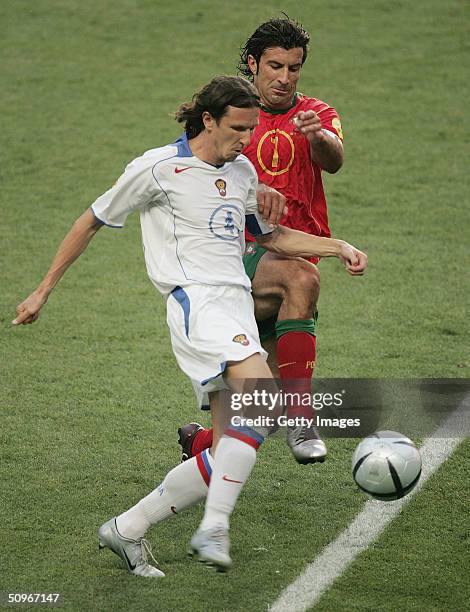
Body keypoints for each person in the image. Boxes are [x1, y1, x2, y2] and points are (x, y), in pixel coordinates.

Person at [12, 75, 367, 576]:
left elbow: (270, 237)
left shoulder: (242, 171)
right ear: (208, 120)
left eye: (252, 129)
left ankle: (128, 527)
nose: (247, 140)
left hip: (236, 305)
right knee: (263, 401)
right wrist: (44, 289)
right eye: (238, 128)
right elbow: (91, 219)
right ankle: (213, 528)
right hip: (196, 304)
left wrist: (338, 247)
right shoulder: (158, 168)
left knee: (229, 450)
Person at [179, 16, 345, 465]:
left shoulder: (317, 114)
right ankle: (302, 416)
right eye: (275, 66)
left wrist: (319, 137)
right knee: (302, 279)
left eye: (294, 68)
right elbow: (192, 173)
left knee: (256, 416)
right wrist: (251, 191)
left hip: (291, 251)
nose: (284, 78)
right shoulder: (235, 116)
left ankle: (196, 443)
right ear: (253, 64)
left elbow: (334, 160)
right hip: (240, 254)